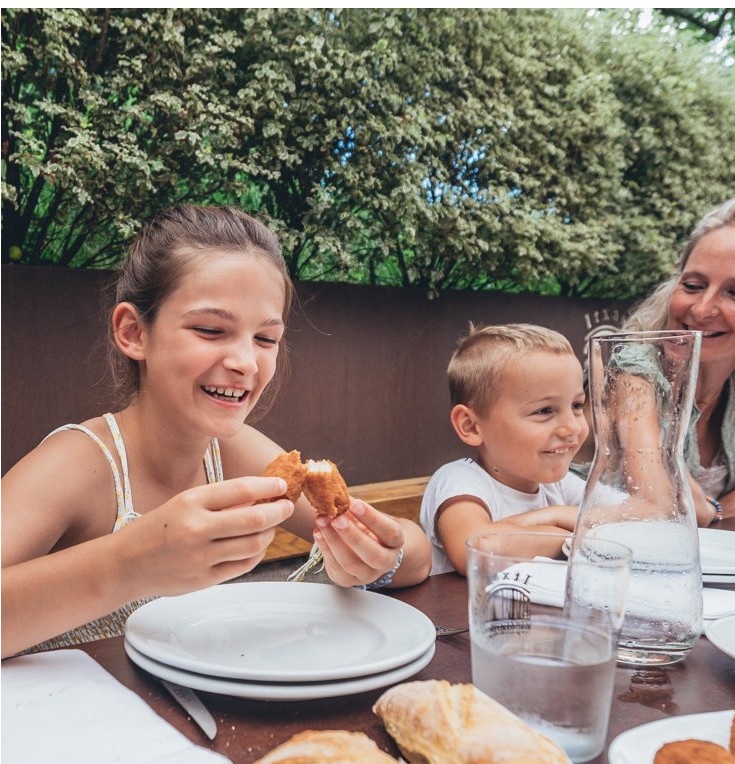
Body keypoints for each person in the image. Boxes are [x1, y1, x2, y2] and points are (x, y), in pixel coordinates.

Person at [2, 204, 431, 658]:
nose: (246, 362)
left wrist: (379, 560)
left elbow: (416, 554)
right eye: (210, 329)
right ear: (134, 332)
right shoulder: (78, 462)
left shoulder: (231, 452)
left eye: (266, 339)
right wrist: (128, 562)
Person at [576, 193, 735, 526]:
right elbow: (662, 502)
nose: (701, 309)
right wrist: (717, 509)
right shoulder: (633, 374)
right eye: (693, 285)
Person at [420, 323, 589, 575]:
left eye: (577, 405)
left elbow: (620, 521)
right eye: (544, 411)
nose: (572, 427)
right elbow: (476, 549)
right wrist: (567, 530)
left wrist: (545, 517)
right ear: (471, 426)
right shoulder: (460, 480)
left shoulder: (557, 484)